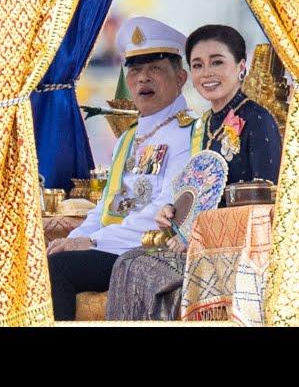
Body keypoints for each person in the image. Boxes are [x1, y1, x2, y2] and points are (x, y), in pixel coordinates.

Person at [105, 24, 282, 321]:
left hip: (239, 251)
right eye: (198, 65)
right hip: (199, 245)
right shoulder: (203, 125)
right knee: (126, 263)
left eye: (217, 62)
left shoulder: (258, 119)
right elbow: (196, 192)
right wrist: (172, 212)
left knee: (142, 270)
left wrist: (200, 233)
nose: (207, 73)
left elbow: (267, 206)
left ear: (241, 67)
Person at [47, 17, 196, 320]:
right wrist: (76, 236)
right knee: (45, 257)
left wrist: (94, 241)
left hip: (146, 252)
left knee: (56, 270)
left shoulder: (190, 133)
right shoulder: (128, 137)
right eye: (135, 70)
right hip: (110, 247)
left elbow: (166, 210)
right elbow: (106, 206)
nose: (143, 79)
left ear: (180, 77)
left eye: (155, 69)